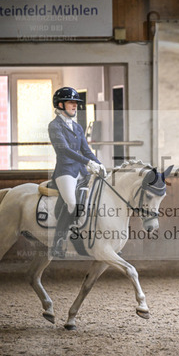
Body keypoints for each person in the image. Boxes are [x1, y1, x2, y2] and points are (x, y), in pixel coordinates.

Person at [49, 87, 105, 258]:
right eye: (71, 102)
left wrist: (99, 164)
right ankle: (58, 242)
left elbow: (86, 150)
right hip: (65, 171)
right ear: (60, 105)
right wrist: (88, 162)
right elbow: (64, 150)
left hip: (81, 170)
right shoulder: (54, 126)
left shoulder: (78, 127)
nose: (75, 106)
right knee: (72, 204)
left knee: (97, 197)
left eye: (76, 103)